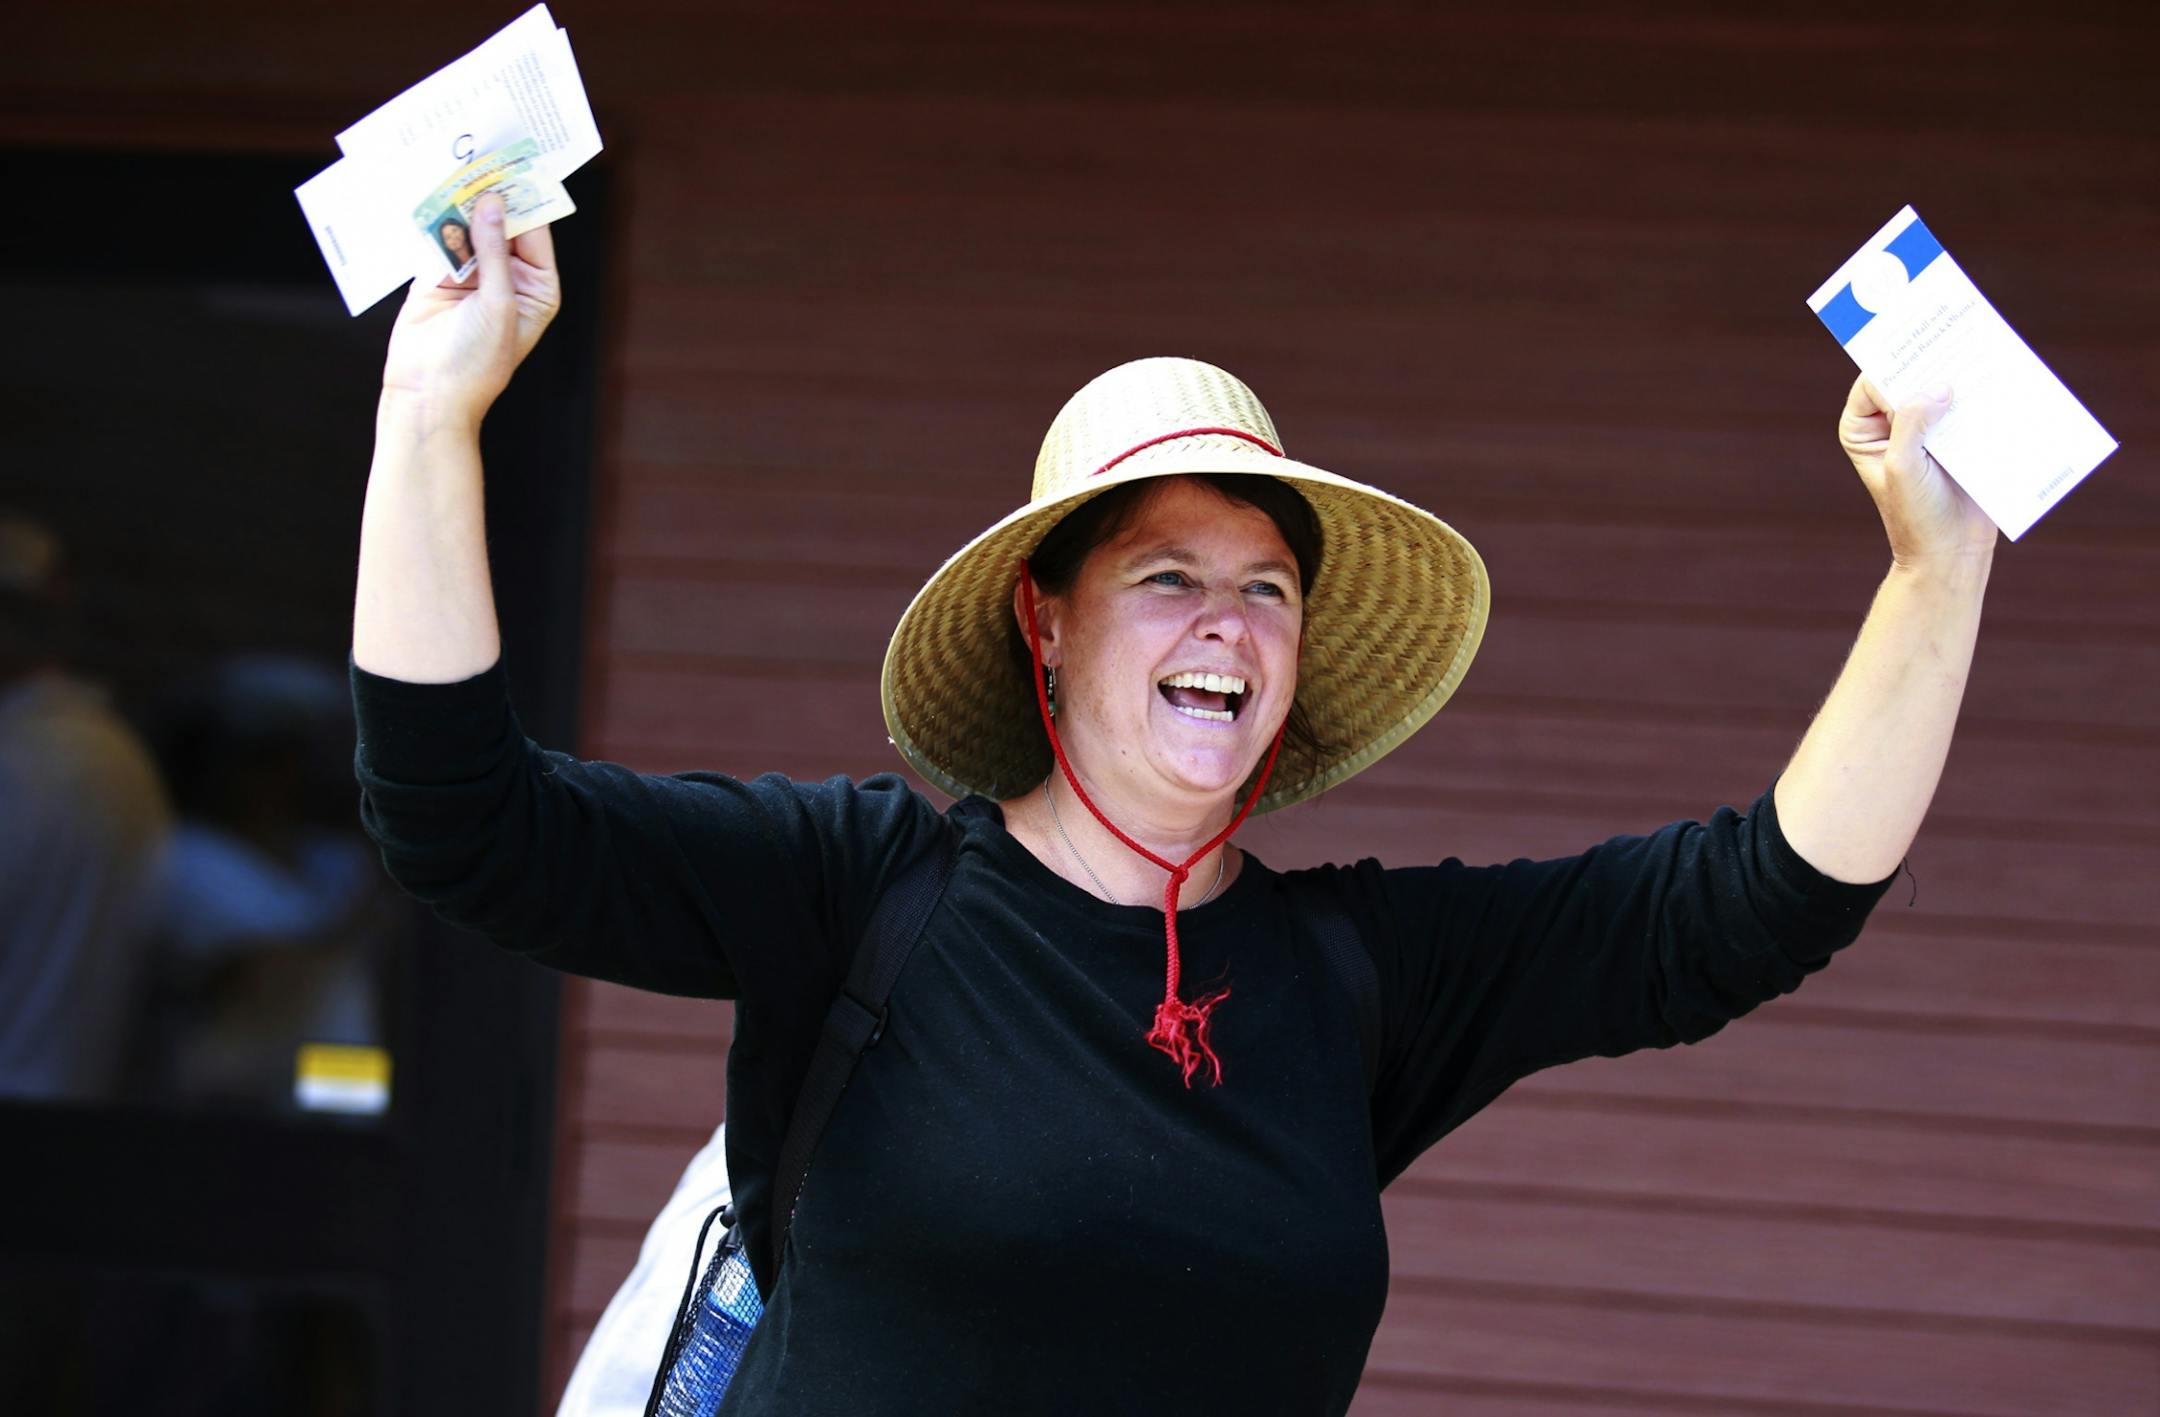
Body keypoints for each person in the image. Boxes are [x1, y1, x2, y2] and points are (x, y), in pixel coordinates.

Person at [350, 194, 1995, 1412]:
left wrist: (1938, 568)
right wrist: (434, 418)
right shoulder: (862, 894)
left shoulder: (1357, 977)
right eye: (1167, 575)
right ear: (1045, 622)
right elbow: (467, 823)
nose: (1229, 621)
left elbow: (1753, 904)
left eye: (1268, 586)